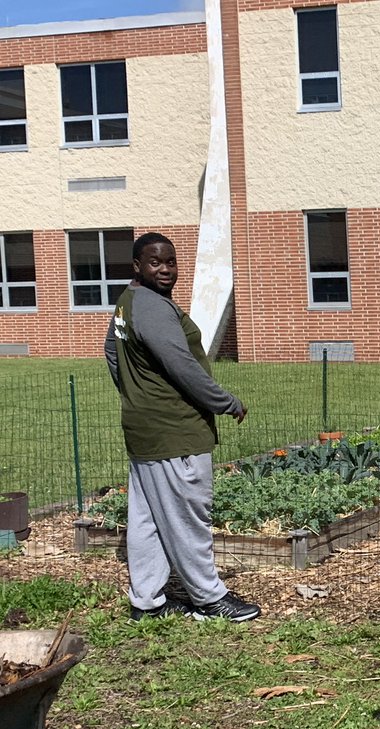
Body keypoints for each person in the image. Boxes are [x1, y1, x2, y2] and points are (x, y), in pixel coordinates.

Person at [104, 232, 261, 623]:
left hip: (144, 430)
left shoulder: (128, 302)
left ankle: (147, 601)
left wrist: (137, 393)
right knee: (189, 517)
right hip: (175, 431)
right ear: (137, 265)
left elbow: (111, 351)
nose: (165, 269)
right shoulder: (154, 308)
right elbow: (183, 366)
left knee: (147, 519)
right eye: (155, 262)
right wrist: (225, 403)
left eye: (171, 262)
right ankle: (209, 598)